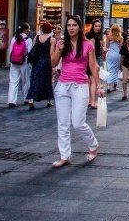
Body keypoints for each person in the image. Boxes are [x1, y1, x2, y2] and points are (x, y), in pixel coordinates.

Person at [50, 15, 102, 168]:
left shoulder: (87, 45)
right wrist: (58, 50)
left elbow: (93, 67)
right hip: (62, 86)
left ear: (80, 27)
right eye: (69, 25)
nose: (71, 28)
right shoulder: (62, 43)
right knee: (63, 124)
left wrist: (98, 86)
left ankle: (93, 144)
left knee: (78, 122)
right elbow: (53, 63)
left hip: (80, 86)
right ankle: (64, 156)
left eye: (74, 25)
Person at [26, 22, 55, 110]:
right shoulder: (52, 39)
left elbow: (34, 48)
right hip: (46, 62)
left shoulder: (37, 37)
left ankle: (31, 100)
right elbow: (51, 53)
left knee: (35, 80)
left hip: (37, 62)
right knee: (47, 81)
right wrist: (53, 65)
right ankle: (49, 101)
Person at [7, 23, 33, 109]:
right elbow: (29, 53)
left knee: (13, 81)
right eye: (28, 29)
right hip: (24, 62)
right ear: (25, 30)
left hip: (14, 61)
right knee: (26, 80)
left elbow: (11, 50)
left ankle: (11, 100)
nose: (29, 30)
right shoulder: (28, 39)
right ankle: (26, 98)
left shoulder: (14, 38)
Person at [85, 19, 104, 108]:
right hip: (93, 59)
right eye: (96, 26)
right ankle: (93, 102)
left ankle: (90, 101)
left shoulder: (91, 35)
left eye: (99, 26)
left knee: (90, 81)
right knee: (93, 81)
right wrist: (95, 63)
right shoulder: (92, 37)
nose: (98, 28)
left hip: (89, 60)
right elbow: (92, 51)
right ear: (92, 26)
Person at [105, 24, 123, 93]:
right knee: (116, 70)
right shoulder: (120, 37)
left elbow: (107, 46)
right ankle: (115, 85)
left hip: (110, 55)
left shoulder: (108, 37)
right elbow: (120, 48)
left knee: (109, 70)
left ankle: (108, 87)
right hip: (117, 55)